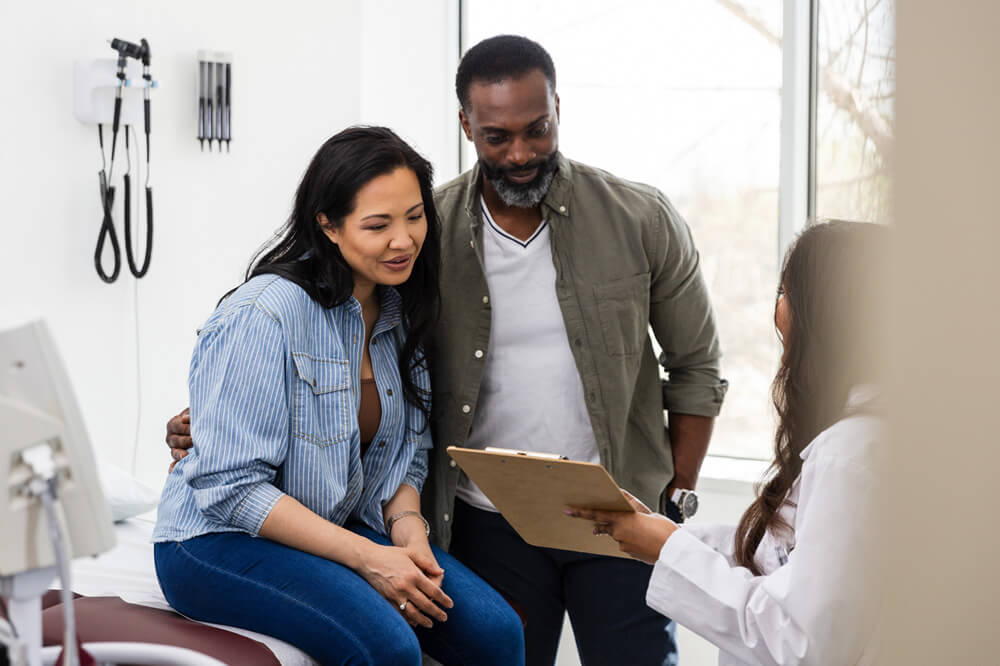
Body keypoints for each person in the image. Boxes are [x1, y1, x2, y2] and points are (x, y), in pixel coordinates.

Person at [169, 36, 726, 665]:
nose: (520, 153)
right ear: (466, 125)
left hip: (615, 502)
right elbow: (274, 374)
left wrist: (674, 497)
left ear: (558, 109)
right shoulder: (421, 236)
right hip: (485, 512)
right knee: (489, 643)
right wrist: (207, 423)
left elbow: (697, 369)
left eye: (536, 129)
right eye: (496, 136)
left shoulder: (637, 218)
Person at [153, 126, 524, 666]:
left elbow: (407, 456)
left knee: (497, 633)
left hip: (335, 524)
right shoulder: (262, 315)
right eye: (378, 225)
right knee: (389, 647)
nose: (404, 240)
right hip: (215, 540)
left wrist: (409, 533)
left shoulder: (401, 313)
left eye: (415, 216)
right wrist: (369, 557)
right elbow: (229, 487)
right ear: (327, 225)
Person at [568, 220, 887, 665]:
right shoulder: (862, 439)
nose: (778, 310)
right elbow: (781, 555)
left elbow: (801, 645)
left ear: (823, 317)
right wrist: (669, 535)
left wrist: (667, 548)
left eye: (786, 293)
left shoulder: (848, 456)